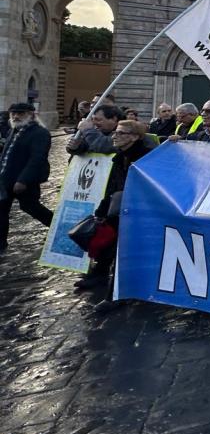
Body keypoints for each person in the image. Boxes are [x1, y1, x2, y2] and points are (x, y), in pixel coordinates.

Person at [81, 119, 157, 311]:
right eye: (115, 132)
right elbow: (114, 185)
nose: (115, 136)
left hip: (135, 211)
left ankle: (117, 294)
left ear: (134, 137)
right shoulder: (121, 154)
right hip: (118, 207)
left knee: (123, 251)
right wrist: (103, 209)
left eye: (121, 133)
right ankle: (99, 274)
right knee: (108, 244)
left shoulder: (145, 157)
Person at [0, 103, 52, 253]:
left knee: (32, 207)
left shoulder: (40, 133)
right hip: (6, 180)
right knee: (1, 211)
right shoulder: (14, 130)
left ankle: (57, 228)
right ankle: (1, 244)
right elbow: (8, 154)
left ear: (31, 114)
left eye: (20, 113)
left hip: (24, 181)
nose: (16, 116)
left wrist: (23, 180)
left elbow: (37, 158)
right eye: (13, 114)